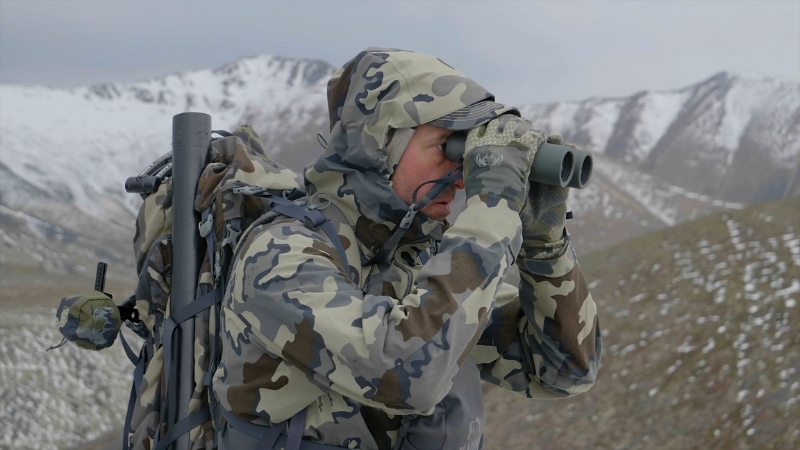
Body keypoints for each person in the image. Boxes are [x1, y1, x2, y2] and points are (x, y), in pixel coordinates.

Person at [212, 47, 602, 450]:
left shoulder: (418, 258)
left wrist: (545, 246)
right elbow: (403, 375)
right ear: (381, 144)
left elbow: (563, 370)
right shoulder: (280, 254)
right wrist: (492, 210)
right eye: (448, 148)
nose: (461, 177)